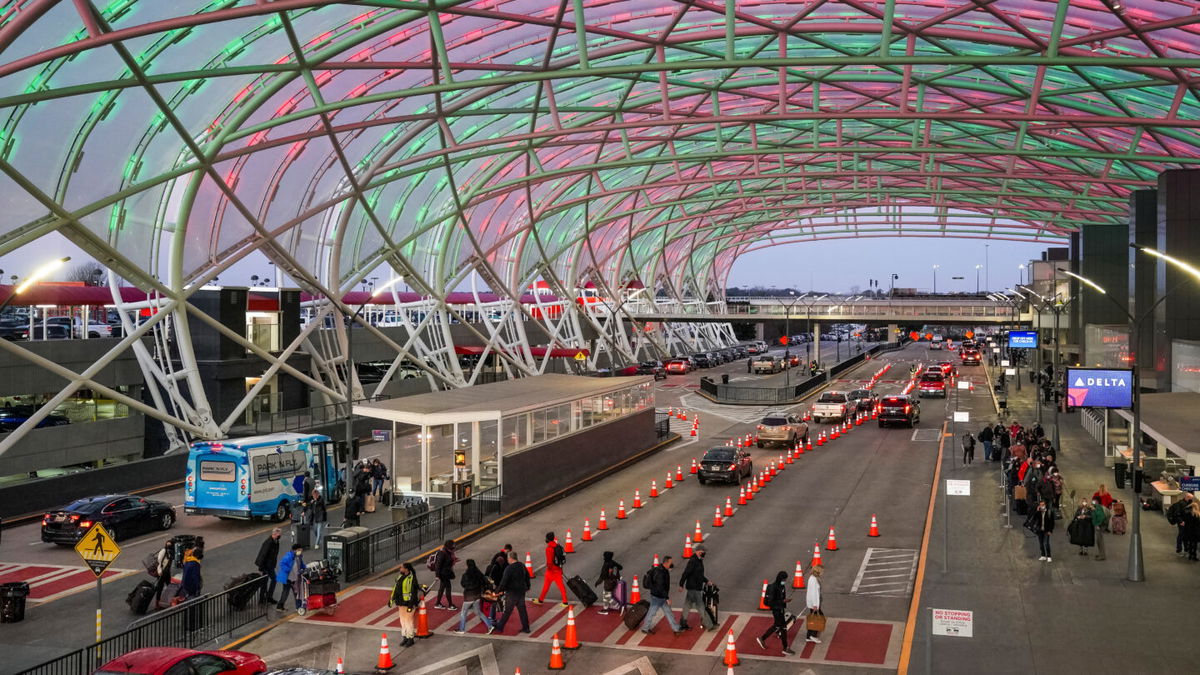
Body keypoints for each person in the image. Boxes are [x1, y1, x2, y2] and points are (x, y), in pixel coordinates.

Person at [640, 556, 682, 636]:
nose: (672, 564)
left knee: (668, 612)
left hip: (660, 595)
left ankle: (676, 628)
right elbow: (660, 587)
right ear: (666, 563)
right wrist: (667, 598)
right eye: (670, 562)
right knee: (652, 612)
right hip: (657, 596)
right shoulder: (660, 572)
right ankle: (645, 628)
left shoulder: (663, 570)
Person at [453, 559, 496, 634]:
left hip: (469, 597)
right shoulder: (478, 573)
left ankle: (461, 629)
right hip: (477, 596)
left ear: (467, 565)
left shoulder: (466, 575)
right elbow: (485, 580)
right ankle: (490, 626)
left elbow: (463, 584)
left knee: (463, 613)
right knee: (478, 612)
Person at [756, 570, 793, 655]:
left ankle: (763, 638)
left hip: (780, 609)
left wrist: (784, 602)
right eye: (784, 579)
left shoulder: (781, 586)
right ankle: (785, 647)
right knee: (783, 628)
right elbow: (770, 602)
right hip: (776, 610)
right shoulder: (774, 587)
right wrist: (782, 601)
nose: (785, 581)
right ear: (780, 579)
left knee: (777, 626)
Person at [678, 545, 714, 631]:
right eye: (703, 552)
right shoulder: (693, 561)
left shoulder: (699, 560)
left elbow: (699, 574)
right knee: (700, 606)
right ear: (698, 551)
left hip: (694, 586)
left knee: (687, 605)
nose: (704, 553)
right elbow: (686, 573)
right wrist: (681, 584)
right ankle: (709, 625)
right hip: (694, 587)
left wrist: (706, 581)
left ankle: (683, 622)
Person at [494, 551, 531, 634]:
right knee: (522, 610)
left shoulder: (509, 568)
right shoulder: (521, 565)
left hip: (512, 592)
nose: (507, 560)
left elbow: (504, 581)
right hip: (521, 591)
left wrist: (498, 591)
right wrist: (528, 586)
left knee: (507, 610)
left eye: (508, 558)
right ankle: (526, 627)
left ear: (510, 558)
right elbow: (527, 576)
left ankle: (500, 626)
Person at [389, 563, 420, 647]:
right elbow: (395, 589)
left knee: (408, 621)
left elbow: (414, 593)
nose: (400, 569)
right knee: (402, 621)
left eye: (401, 567)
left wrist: (411, 605)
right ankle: (405, 637)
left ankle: (410, 638)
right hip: (401, 603)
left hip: (409, 604)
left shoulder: (412, 579)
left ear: (406, 569)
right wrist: (391, 600)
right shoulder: (400, 577)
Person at [533, 532, 568, 606]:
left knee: (546, 586)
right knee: (561, 586)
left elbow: (549, 561)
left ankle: (541, 600)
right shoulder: (557, 546)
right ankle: (565, 601)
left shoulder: (549, 548)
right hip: (558, 569)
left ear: (547, 539)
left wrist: (548, 569)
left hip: (551, 571)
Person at [254, 528, 282, 604]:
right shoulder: (268, 542)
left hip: (270, 565)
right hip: (265, 566)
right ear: (275, 534)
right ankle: (262, 599)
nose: (280, 535)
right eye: (279, 534)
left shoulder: (276, 542)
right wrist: (260, 567)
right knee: (265, 582)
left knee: (274, 579)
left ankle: (268, 597)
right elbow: (262, 554)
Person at [275, 544, 305, 611]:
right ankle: (280, 606)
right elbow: (282, 563)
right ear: (294, 550)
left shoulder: (299, 556)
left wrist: (304, 568)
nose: (300, 551)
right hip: (288, 578)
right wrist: (288, 569)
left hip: (295, 578)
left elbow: (301, 564)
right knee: (286, 592)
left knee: (296, 593)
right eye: (299, 550)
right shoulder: (288, 556)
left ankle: (298, 607)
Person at [1166, 491, 1194, 557]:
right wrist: (1181, 521)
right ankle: (1179, 550)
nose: (1191, 499)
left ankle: (1186, 549)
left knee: (1185, 536)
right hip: (1182, 522)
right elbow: (1176, 514)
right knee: (1181, 536)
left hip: (1186, 522)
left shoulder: (1188, 503)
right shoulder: (1180, 504)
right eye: (1190, 498)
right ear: (1187, 497)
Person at [433, 540, 458, 610]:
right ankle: (450, 604)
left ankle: (437, 603)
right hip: (444, 574)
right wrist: (437, 575)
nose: (453, 548)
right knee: (448, 588)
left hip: (445, 573)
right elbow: (438, 565)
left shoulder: (447, 552)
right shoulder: (442, 553)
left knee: (442, 588)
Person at [151, 539, 175, 609]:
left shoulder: (170, 552)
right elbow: (159, 562)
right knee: (160, 588)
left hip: (167, 573)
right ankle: (157, 604)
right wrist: (159, 571)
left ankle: (168, 601)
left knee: (169, 587)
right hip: (161, 572)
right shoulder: (163, 551)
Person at [804, 564, 824, 644]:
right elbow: (814, 593)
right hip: (814, 605)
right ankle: (813, 635)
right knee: (818, 619)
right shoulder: (814, 580)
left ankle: (809, 636)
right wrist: (815, 605)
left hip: (813, 604)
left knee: (813, 619)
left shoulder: (812, 578)